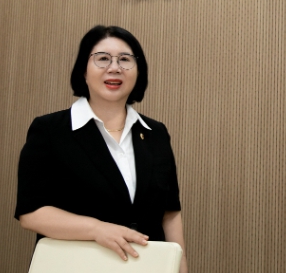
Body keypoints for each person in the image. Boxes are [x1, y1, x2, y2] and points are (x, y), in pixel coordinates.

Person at [15, 25, 188, 273]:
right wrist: (97, 229)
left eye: (125, 60)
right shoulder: (50, 130)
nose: (114, 67)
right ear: (83, 71)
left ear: (138, 72)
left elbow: (170, 213)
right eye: (103, 58)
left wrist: (180, 268)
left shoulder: (155, 133)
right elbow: (31, 213)